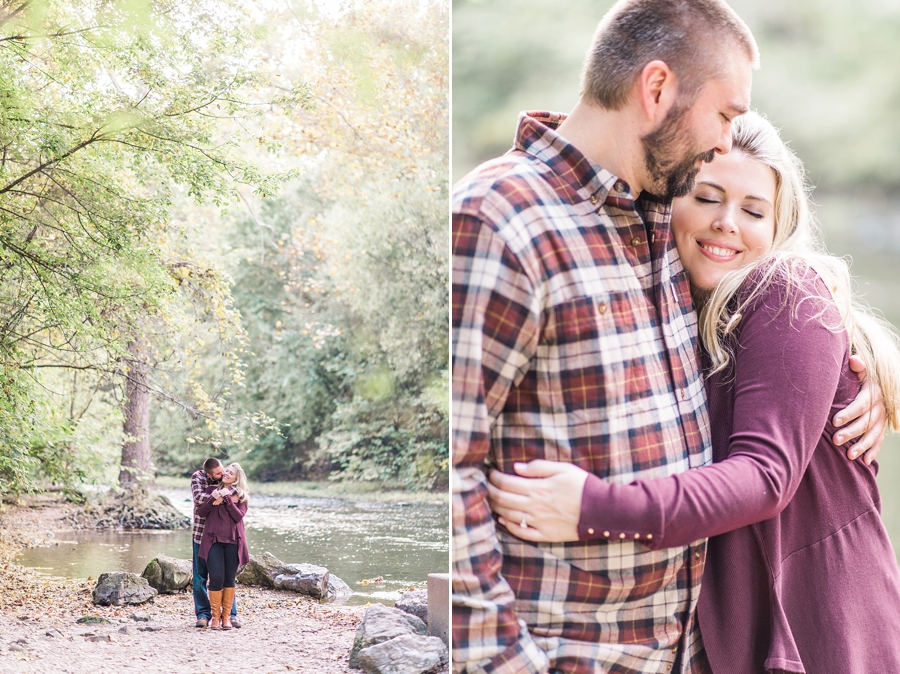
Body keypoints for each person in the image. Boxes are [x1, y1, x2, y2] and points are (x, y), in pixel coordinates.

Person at [450, 0, 885, 671]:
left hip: (758, 641)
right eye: (725, 115)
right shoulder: (515, 220)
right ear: (656, 91)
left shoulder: (667, 227)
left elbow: (768, 458)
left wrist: (875, 370)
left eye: (751, 209)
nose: (722, 143)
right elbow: (451, 469)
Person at [197, 462, 251, 630]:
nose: (226, 473)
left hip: (234, 541)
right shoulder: (210, 491)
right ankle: (215, 617)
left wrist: (226, 498)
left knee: (229, 579)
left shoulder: (241, 496)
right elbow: (201, 512)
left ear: (237, 478)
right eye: (226, 470)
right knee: (216, 578)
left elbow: (238, 516)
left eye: (231, 472)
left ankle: (226, 617)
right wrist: (214, 497)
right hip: (213, 540)